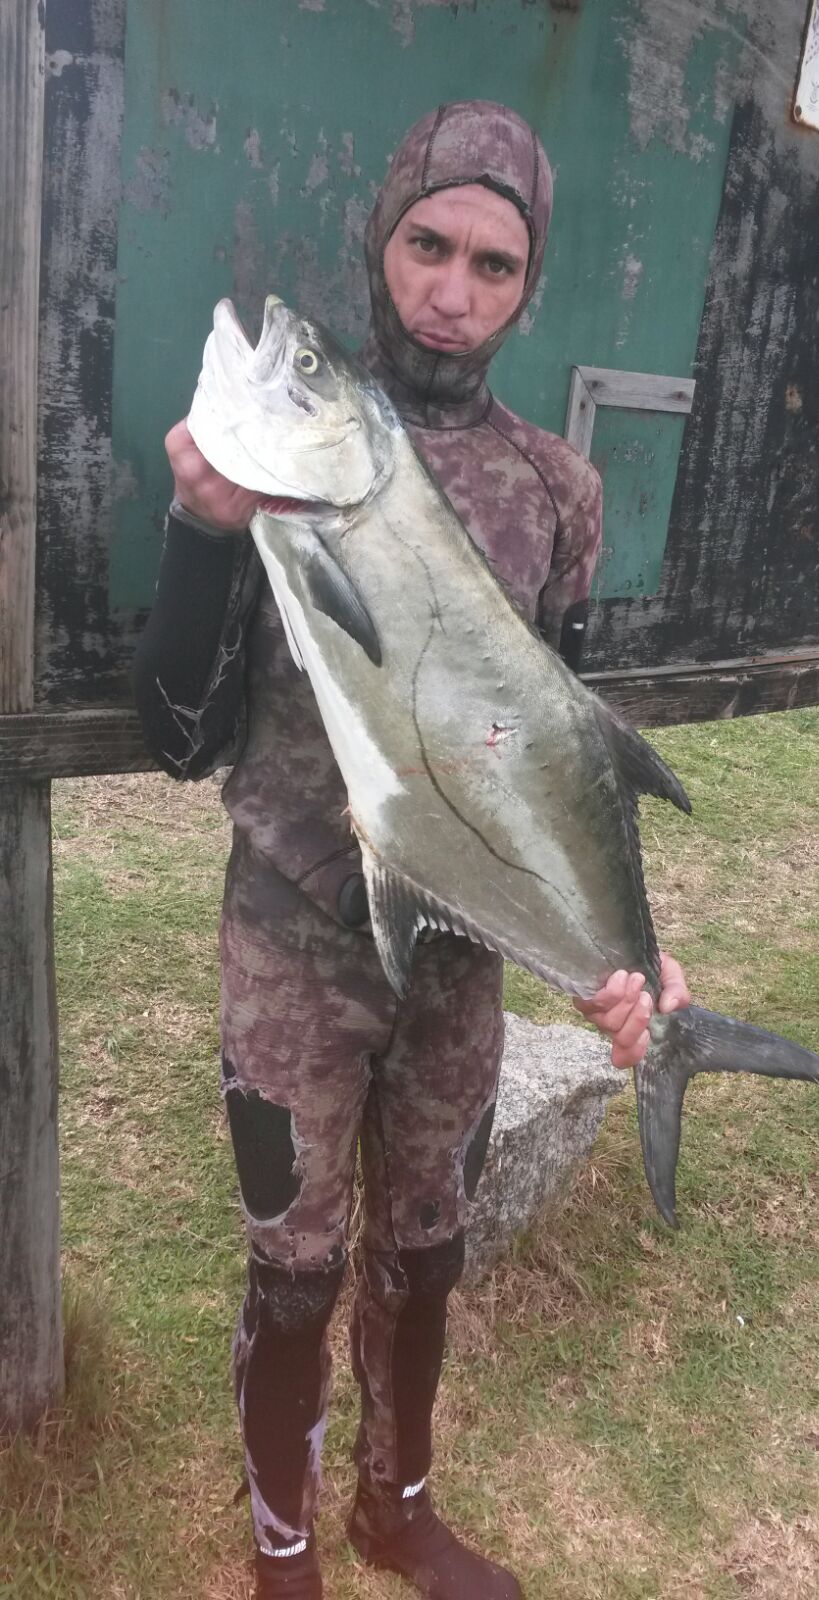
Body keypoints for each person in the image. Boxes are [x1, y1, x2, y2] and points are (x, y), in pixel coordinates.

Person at [134, 101, 690, 1600]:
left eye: (493, 265)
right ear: (382, 243)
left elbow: (557, 750)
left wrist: (632, 951)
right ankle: (285, 1544)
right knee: (294, 1265)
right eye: (427, 245)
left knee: (428, 1242)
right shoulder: (288, 455)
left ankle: (400, 1505)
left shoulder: (560, 492)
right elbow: (179, 734)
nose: (452, 290)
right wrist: (200, 531)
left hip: (457, 960)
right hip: (292, 945)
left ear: (529, 285)